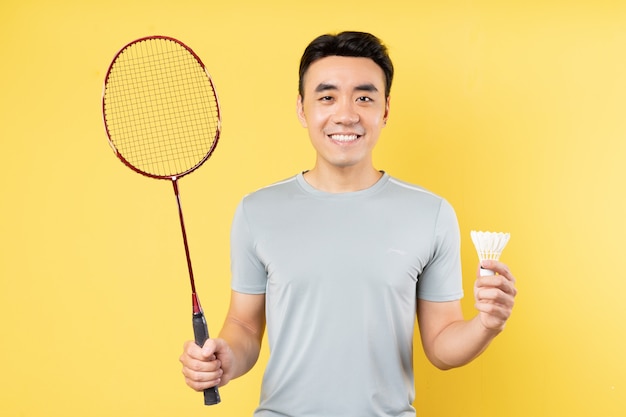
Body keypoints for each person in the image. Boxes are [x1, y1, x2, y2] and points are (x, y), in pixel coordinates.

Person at [180, 31, 517, 417]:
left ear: (385, 110)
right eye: (326, 97)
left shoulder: (431, 214)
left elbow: (442, 347)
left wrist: (487, 324)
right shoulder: (256, 211)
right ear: (302, 110)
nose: (346, 114)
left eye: (364, 97)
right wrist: (223, 359)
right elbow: (243, 326)